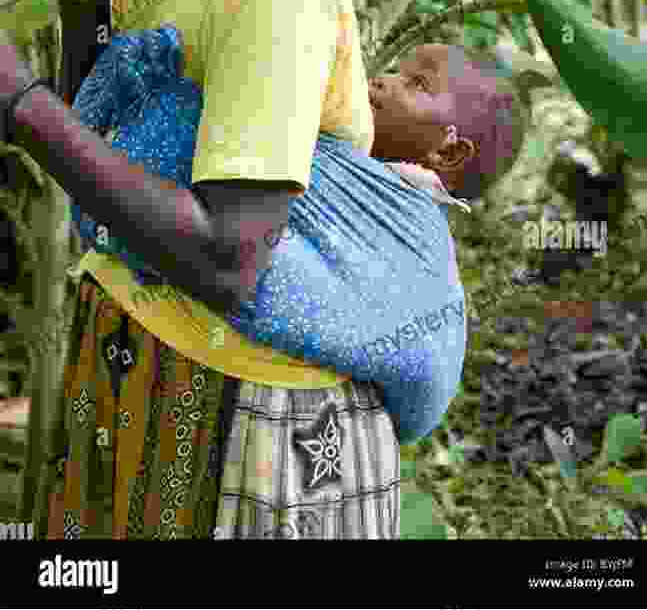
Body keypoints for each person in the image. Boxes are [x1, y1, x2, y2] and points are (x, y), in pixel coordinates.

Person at [0, 0, 513, 539]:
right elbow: (122, 142)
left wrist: (21, 103)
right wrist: (89, 4)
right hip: (140, 368)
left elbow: (231, 258)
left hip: (249, 425)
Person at [68, 27, 525, 444]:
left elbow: (425, 343)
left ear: (448, 150)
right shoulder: (325, 148)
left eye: (416, 83)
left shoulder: (407, 224)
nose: (383, 80)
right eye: (394, 69)